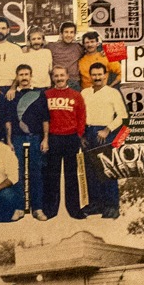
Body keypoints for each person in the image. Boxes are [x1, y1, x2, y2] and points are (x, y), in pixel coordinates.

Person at [2, 64, 49, 219]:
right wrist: (9, 142)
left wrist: (45, 139)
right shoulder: (11, 95)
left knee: (36, 174)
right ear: (17, 77)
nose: (24, 77)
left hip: (35, 138)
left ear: (31, 76)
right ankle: (19, 208)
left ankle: (38, 209)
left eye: (26, 74)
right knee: (18, 174)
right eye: (21, 74)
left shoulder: (39, 94)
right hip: (17, 138)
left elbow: (45, 119)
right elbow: (8, 120)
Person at [82, 63, 128, 219]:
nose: (97, 78)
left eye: (100, 74)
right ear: (90, 76)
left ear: (105, 75)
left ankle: (112, 206)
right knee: (90, 171)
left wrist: (107, 129)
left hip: (104, 132)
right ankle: (96, 204)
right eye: (94, 75)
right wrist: (81, 135)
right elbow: (80, 115)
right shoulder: (85, 92)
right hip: (87, 132)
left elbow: (122, 115)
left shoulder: (112, 93)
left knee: (107, 170)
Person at [44, 64, 87, 218]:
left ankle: (74, 209)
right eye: (56, 76)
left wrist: (79, 134)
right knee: (52, 175)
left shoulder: (76, 95)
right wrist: (46, 138)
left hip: (71, 139)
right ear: (52, 78)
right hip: (54, 138)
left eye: (62, 75)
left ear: (68, 76)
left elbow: (81, 117)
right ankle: (51, 210)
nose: (59, 78)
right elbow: (44, 118)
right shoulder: (47, 95)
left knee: (71, 175)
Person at [50, 21, 84, 87]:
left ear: (74, 34)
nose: (69, 35)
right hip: (57, 80)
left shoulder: (79, 47)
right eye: (66, 32)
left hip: (74, 81)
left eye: (71, 32)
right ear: (61, 33)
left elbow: (93, 48)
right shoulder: (52, 46)